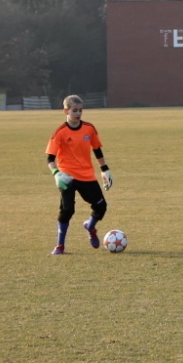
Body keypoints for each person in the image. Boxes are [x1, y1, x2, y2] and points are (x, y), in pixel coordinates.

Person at [45, 95, 112, 256]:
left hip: (87, 175)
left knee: (101, 206)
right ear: (66, 111)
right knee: (67, 209)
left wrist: (105, 169)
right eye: (74, 110)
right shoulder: (60, 132)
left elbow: (97, 149)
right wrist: (56, 174)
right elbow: (50, 158)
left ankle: (90, 226)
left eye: (80, 110)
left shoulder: (89, 128)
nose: (78, 113)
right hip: (66, 176)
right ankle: (60, 246)